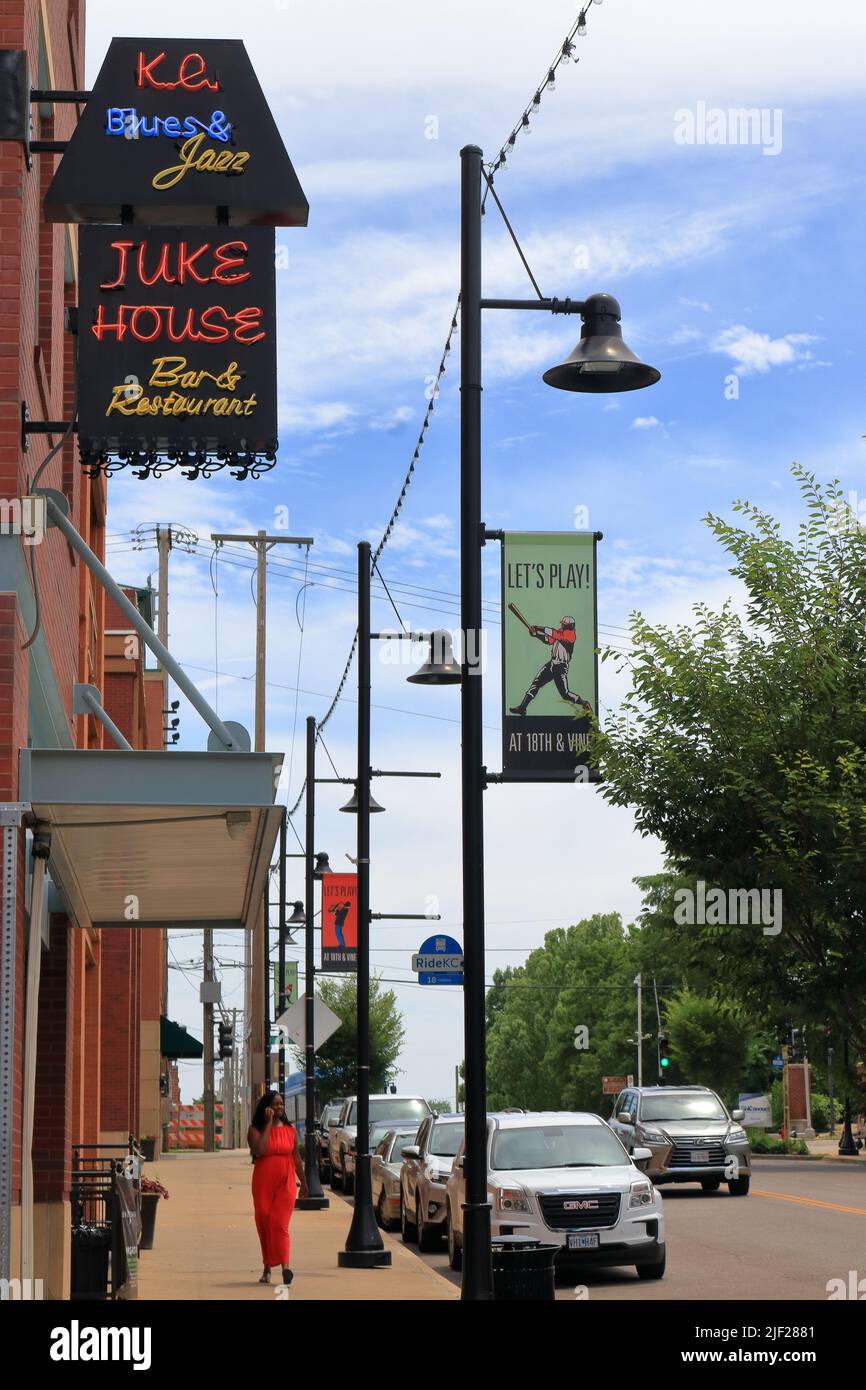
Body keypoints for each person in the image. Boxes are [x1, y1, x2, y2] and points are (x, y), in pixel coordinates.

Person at [248, 1089, 308, 1285]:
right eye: (275, 1104)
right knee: (264, 1223)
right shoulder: (255, 1129)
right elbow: (260, 1150)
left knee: (280, 1224)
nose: (279, 1107)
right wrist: (267, 1124)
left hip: (286, 1180)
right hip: (263, 1181)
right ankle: (267, 1268)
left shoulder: (290, 1130)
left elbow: (297, 1159)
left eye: (281, 1104)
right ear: (266, 1107)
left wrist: (305, 1185)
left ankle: (286, 1267)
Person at [509, 615, 593, 715]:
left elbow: (554, 633)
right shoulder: (560, 632)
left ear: (570, 626)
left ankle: (584, 703)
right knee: (536, 684)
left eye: (564, 624)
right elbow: (548, 640)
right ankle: (522, 707)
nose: (561, 625)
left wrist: (538, 628)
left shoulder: (571, 635)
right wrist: (536, 634)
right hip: (552, 663)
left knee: (565, 694)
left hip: (561, 666)